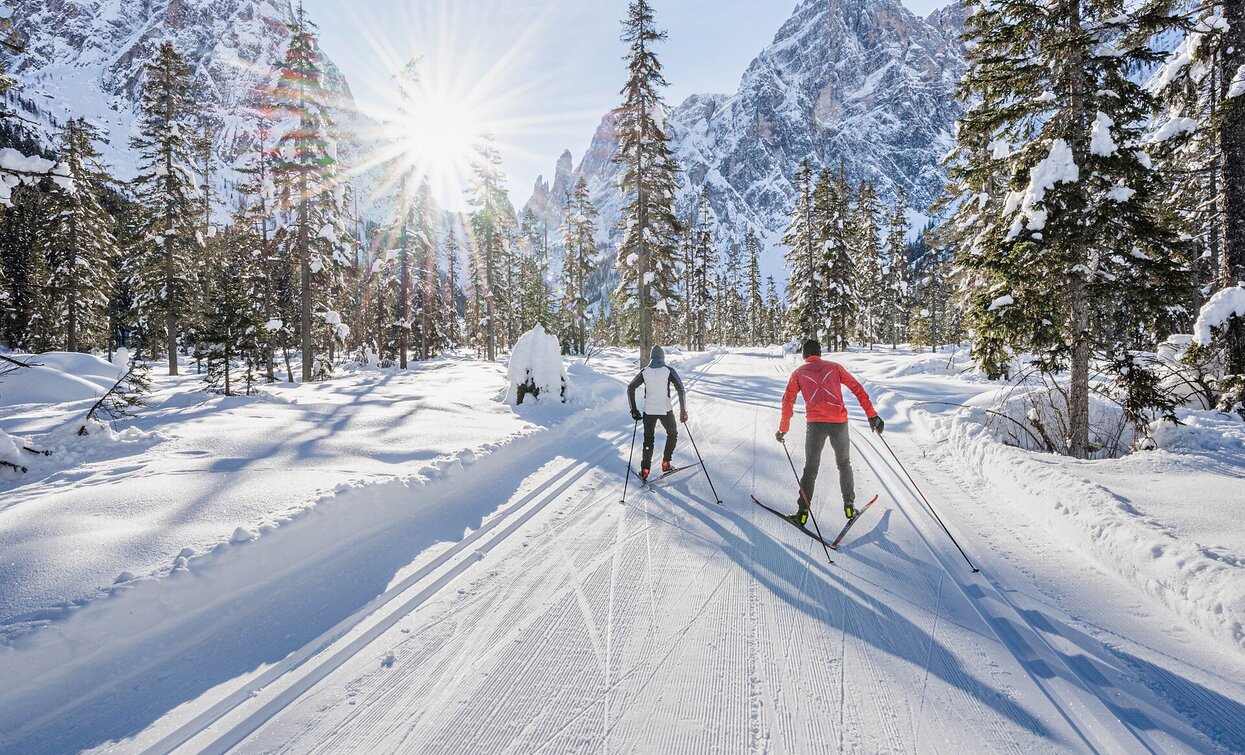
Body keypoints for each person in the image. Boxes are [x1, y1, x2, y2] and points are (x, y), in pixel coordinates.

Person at [776, 338, 884, 524]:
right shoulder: (835, 367)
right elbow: (857, 388)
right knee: (844, 464)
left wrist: (783, 429)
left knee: (811, 468)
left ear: (804, 354)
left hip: (815, 425)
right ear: (819, 352)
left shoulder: (799, 373)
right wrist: (872, 415)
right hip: (839, 423)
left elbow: (788, 401)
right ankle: (849, 507)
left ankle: (802, 513)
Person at [627, 345, 688, 480]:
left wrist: (634, 410)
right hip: (665, 410)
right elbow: (681, 389)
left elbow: (630, 387)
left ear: (651, 358)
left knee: (648, 439)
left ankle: (645, 470)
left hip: (648, 411)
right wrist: (683, 411)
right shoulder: (668, 370)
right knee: (672, 434)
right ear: (662, 357)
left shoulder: (645, 371)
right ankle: (666, 463)